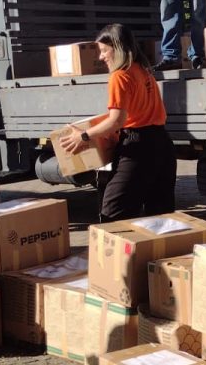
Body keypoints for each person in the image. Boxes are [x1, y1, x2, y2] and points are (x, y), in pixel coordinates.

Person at [59, 24, 176, 221]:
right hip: (162, 145)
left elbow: (116, 121)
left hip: (138, 149)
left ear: (118, 48)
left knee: (113, 214)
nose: (101, 57)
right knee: (160, 217)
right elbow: (132, 113)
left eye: (104, 50)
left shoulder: (119, 76)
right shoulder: (143, 70)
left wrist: (84, 136)